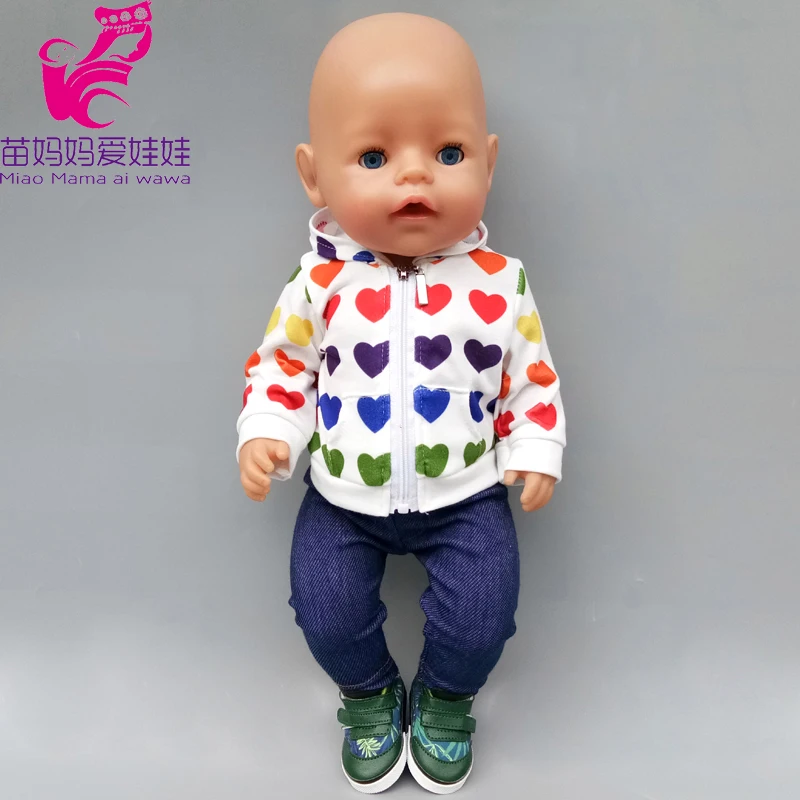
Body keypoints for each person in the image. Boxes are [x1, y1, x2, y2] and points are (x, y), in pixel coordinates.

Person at [236, 12, 566, 794]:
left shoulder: (501, 283)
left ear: (487, 162)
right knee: (323, 606)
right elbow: (283, 366)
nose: (415, 177)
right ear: (315, 176)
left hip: (467, 494)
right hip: (342, 498)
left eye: (448, 153)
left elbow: (531, 376)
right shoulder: (318, 283)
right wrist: (267, 430)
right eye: (375, 156)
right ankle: (370, 694)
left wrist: (533, 448)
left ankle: (446, 700)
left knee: (486, 612)